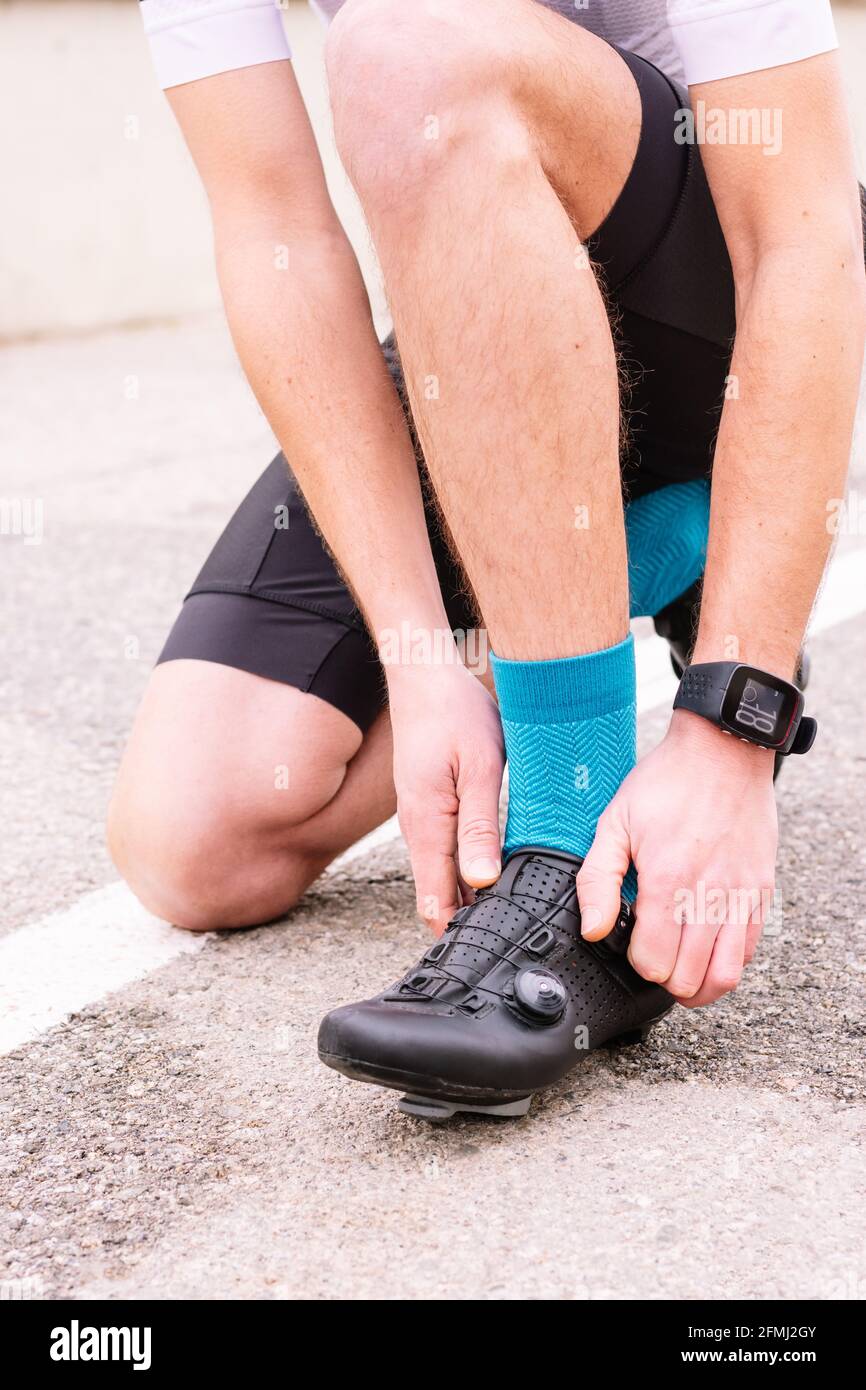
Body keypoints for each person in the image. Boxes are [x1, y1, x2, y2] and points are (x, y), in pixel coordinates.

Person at [110, 0, 864, 1111]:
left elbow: (798, 234)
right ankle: (657, 547)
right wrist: (420, 658)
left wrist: (730, 722)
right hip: (494, 323)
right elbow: (274, 233)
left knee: (407, 46)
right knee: (197, 837)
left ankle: (567, 834)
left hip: (708, 304)